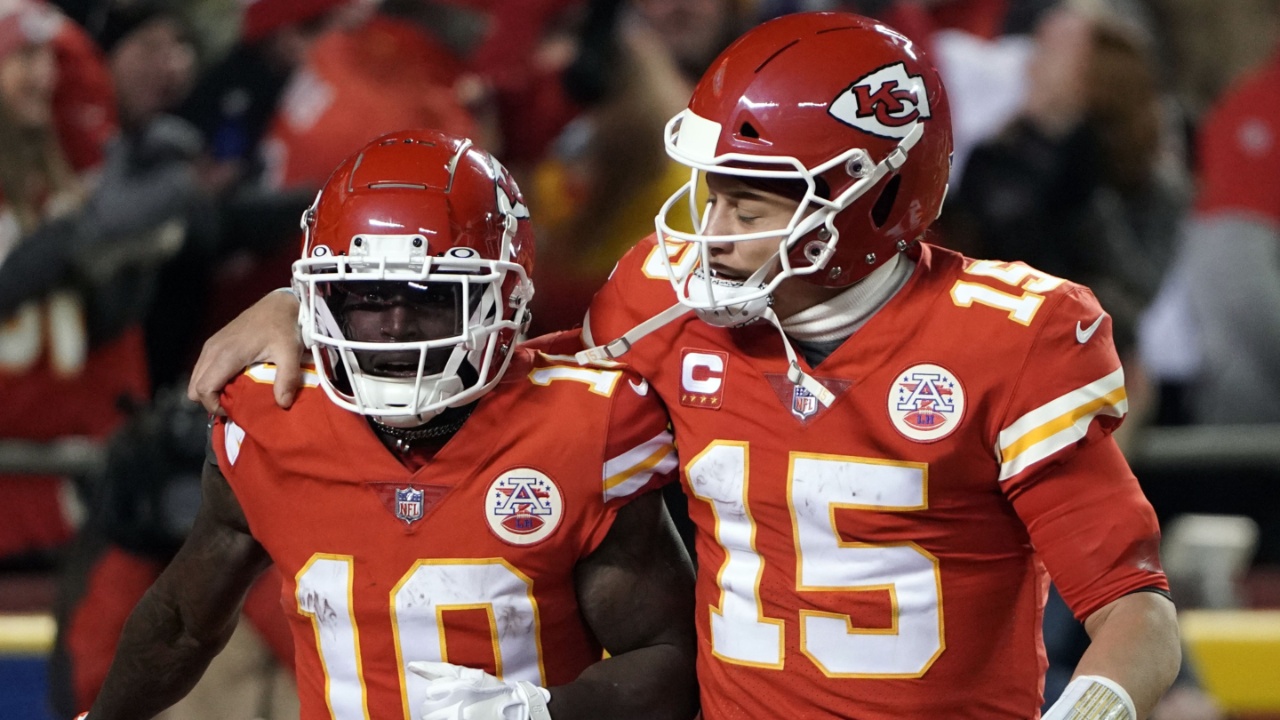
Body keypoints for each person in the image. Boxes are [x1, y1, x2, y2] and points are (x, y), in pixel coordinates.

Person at [187, 12, 1181, 720]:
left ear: (874, 195)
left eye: (751, 196)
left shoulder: (1010, 337)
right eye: (712, 189)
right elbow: (505, 384)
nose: (712, 225)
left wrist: (1087, 711)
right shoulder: (662, 297)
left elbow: (1135, 612)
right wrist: (307, 309)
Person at [87, 129, 698, 720]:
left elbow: (670, 659)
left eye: (432, 296)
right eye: (370, 298)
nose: (397, 327)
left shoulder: (583, 428)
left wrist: (541, 713)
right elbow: (182, 624)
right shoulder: (272, 415)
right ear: (322, 298)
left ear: (502, 298)